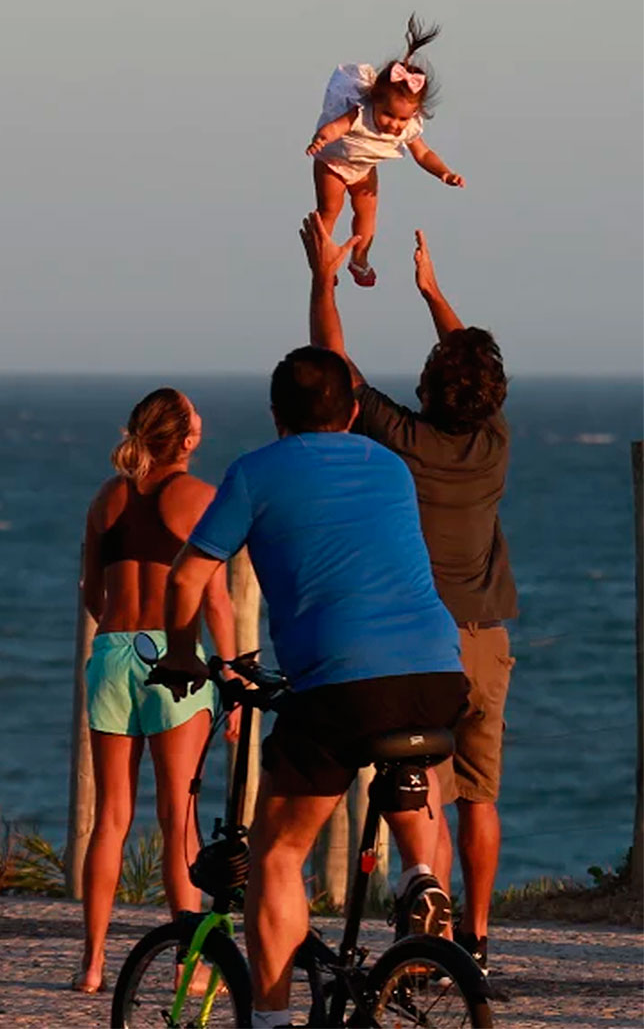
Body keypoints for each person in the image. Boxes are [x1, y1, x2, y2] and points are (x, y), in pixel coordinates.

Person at [156, 346, 469, 1028]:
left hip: (341, 683)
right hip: (439, 670)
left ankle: (269, 1019)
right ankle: (421, 877)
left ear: (275, 415)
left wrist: (184, 656)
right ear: (353, 411)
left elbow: (185, 578)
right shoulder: (389, 466)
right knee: (408, 776)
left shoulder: (253, 473)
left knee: (278, 852)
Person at [300, 210, 518, 975]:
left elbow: (336, 368)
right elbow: (473, 371)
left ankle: (428, 940)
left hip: (426, 641)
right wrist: (433, 292)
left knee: (428, 791)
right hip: (489, 637)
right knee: (480, 798)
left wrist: (323, 277)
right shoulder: (494, 441)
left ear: (428, 385)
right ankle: (477, 943)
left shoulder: (403, 437)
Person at [72, 387, 236, 994]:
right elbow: (215, 596)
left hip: (113, 655)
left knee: (110, 819)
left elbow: (93, 593)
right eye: (196, 416)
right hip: (176, 658)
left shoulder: (105, 498)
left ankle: (91, 965)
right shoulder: (199, 498)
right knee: (178, 819)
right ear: (187, 439)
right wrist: (237, 668)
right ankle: (187, 969)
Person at [306, 13, 464, 289]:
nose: (394, 124)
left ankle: (359, 258)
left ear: (415, 114)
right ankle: (324, 259)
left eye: (402, 119)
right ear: (375, 101)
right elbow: (336, 127)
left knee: (367, 213)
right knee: (331, 209)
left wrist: (445, 173)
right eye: (389, 115)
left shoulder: (408, 128)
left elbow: (423, 154)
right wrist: (321, 138)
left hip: (364, 168)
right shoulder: (360, 113)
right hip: (333, 163)